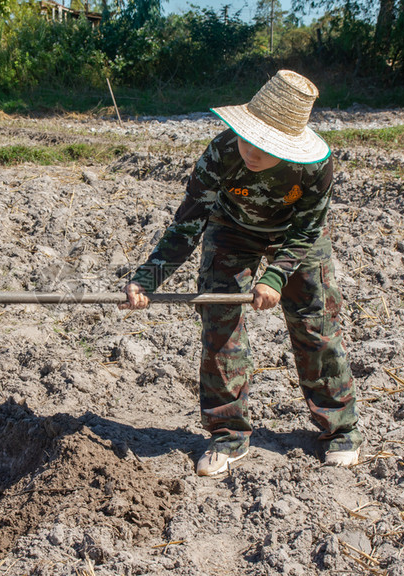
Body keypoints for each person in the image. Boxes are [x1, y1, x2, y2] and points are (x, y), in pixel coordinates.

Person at [119, 70, 361, 476]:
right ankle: (227, 434)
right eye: (246, 137)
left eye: (263, 147)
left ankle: (340, 430)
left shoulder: (316, 168)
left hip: (296, 237)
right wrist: (148, 278)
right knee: (220, 324)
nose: (249, 150)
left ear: (288, 147)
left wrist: (276, 277)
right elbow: (188, 223)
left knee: (316, 325)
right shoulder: (221, 153)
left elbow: (307, 229)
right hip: (232, 231)